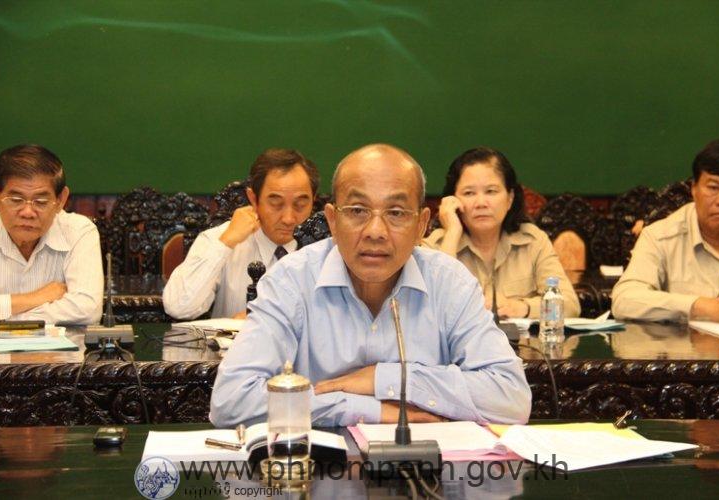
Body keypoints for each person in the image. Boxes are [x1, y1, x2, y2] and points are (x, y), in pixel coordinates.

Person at [210, 144, 531, 427]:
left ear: (421, 224)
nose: (375, 231)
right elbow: (231, 400)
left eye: (396, 212)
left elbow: (511, 397)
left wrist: (385, 378)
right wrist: (364, 408)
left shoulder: (450, 282)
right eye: (358, 211)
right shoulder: (291, 281)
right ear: (333, 220)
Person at [423, 147, 580, 319]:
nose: (481, 203)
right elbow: (429, 310)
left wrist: (524, 308)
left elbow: (570, 306)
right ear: (452, 200)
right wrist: (452, 232)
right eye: (469, 193)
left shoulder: (533, 241)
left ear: (510, 198)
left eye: (491, 191)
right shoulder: (436, 246)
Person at [163, 149, 319, 319]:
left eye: (300, 205)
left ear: (314, 200)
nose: (288, 219)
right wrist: (225, 244)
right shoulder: (221, 239)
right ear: (253, 198)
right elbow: (178, 307)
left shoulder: (327, 246)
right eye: (276, 203)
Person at [0, 144, 103, 325]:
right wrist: (36, 297)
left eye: (41, 201)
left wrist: (0, 317)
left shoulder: (78, 232)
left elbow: (87, 310)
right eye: (16, 200)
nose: (28, 212)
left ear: (60, 200)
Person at [613, 139, 719, 323]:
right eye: (713, 188)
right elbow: (624, 300)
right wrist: (696, 305)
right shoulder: (660, 236)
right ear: (694, 190)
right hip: (683, 342)